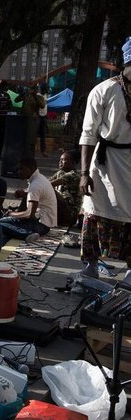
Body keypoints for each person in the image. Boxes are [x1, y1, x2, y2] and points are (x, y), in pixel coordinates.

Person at [79, 39, 131, 281]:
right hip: (104, 163)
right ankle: (90, 265)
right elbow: (88, 134)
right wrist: (83, 173)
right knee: (94, 210)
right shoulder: (103, 90)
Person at [0, 157, 57, 242]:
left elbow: (29, 214)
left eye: (21, 169)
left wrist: (11, 213)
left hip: (40, 225)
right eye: (18, 169)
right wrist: (25, 194)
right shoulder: (40, 178)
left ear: (31, 168)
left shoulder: (36, 185)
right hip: (46, 223)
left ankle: (26, 234)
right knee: (2, 222)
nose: (19, 172)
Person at [15, 84, 46, 158]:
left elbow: (42, 106)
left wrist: (35, 96)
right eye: (31, 89)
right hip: (24, 118)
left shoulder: (39, 97)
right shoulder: (26, 96)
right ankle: (22, 151)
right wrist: (22, 94)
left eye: (33, 89)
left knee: (32, 137)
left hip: (33, 119)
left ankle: (31, 153)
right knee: (23, 136)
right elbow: (16, 100)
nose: (31, 90)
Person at [38, 83, 49, 158]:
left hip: (44, 116)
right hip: (38, 116)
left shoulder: (45, 95)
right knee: (34, 134)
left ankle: (43, 151)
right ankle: (30, 150)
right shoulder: (38, 95)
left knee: (43, 135)